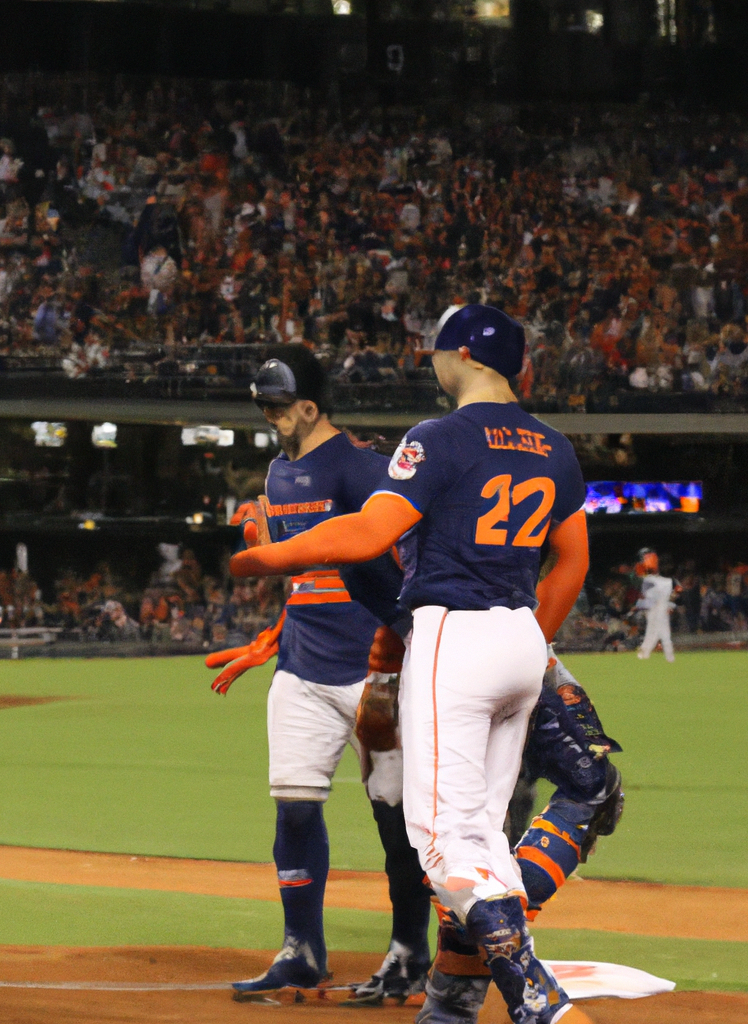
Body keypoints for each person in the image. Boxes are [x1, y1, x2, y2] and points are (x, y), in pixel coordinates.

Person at [230, 306, 592, 1024]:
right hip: (521, 635)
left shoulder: (438, 437)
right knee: (486, 833)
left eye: (436, 349)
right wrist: (527, 635)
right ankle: (451, 1007)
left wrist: (267, 556)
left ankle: (539, 1001)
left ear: (462, 355)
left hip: (454, 637)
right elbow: (572, 561)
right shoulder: (555, 446)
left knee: (442, 845)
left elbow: (372, 530)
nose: (430, 359)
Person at [206, 347, 432, 1003]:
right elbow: (306, 577)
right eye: (264, 406)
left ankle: (410, 952)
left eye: (278, 405)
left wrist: (408, 638)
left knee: (396, 820)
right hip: (302, 666)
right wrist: (273, 635)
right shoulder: (278, 475)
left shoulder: (364, 468)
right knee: (294, 808)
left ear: (310, 406)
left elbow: (397, 559)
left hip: (372, 669)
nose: (271, 417)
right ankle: (301, 951)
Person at [635, 548, 677, 662]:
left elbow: (649, 596)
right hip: (658, 608)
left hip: (657, 608)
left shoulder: (655, 580)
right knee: (659, 633)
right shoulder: (658, 580)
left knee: (658, 633)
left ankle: (647, 653)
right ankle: (668, 657)